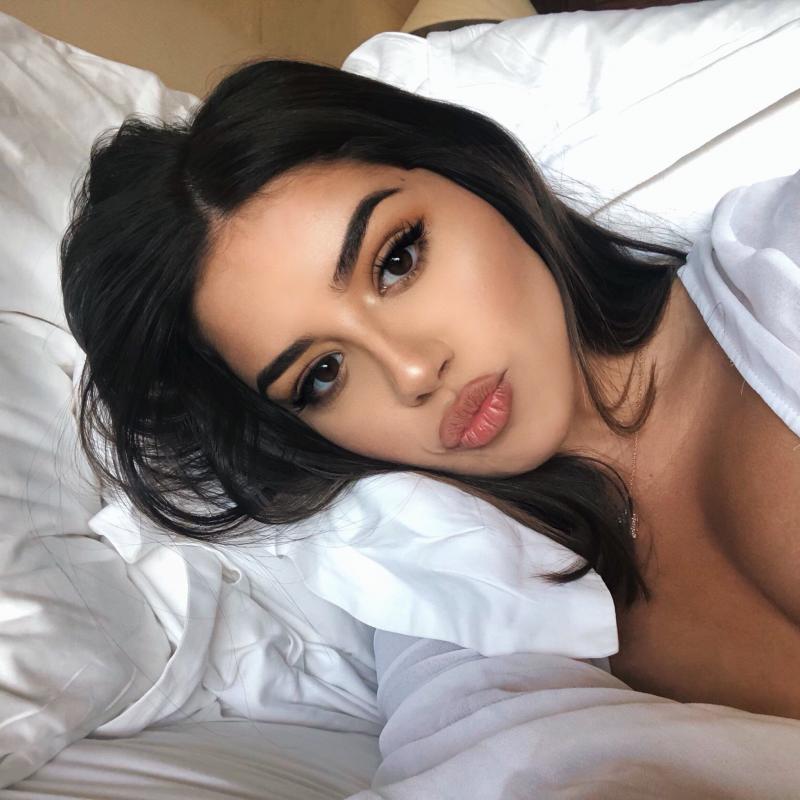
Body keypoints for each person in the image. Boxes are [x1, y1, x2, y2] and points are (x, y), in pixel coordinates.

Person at [60, 58, 800, 720]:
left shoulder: (780, 263)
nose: (412, 372)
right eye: (323, 374)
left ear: (474, 174)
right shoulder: (458, 621)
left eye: (396, 260)